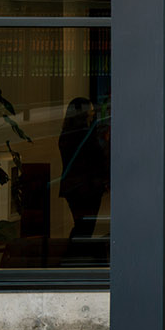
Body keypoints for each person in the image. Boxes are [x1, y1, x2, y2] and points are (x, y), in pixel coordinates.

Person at [57, 97, 108, 241]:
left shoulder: (66, 134)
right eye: (91, 111)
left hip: (73, 188)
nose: (93, 114)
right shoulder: (85, 135)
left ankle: (72, 257)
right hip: (87, 188)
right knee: (85, 228)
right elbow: (97, 157)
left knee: (81, 226)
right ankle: (72, 257)